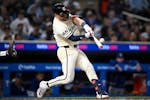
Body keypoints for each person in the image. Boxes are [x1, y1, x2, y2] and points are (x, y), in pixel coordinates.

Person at [37, 2, 109, 99]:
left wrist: (86, 26)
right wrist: (85, 36)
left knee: (89, 67)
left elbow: (76, 19)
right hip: (66, 51)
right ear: (56, 14)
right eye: (62, 14)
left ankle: (100, 92)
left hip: (76, 49)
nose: (65, 15)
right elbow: (72, 38)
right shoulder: (58, 26)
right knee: (68, 78)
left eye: (65, 12)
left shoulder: (65, 15)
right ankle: (45, 84)